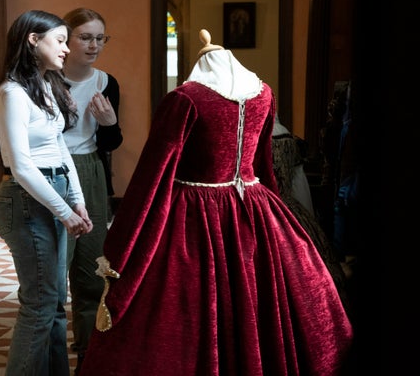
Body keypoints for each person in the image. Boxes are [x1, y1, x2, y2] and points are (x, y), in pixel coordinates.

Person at [79, 30, 353, 375]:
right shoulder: (264, 92)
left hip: (192, 211)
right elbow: (263, 167)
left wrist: (124, 241)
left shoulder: (184, 98)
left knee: (183, 308)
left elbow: (154, 173)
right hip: (255, 203)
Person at [0, 9, 94, 376]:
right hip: (24, 200)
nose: (66, 49)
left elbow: (61, 148)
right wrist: (64, 212)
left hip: (54, 190)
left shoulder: (45, 84)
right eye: (60, 41)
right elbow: (22, 166)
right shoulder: (11, 93)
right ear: (33, 40)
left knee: (57, 302)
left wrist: (79, 201)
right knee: (40, 305)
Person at [60, 7, 123, 375]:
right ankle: (50, 357)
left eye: (100, 38)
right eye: (86, 37)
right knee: (54, 271)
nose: (94, 45)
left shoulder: (106, 82)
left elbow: (112, 142)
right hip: (49, 171)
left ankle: (87, 355)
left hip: (90, 171)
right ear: (65, 40)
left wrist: (110, 124)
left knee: (91, 270)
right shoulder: (44, 78)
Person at [272, 116, 351, 310]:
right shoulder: (287, 136)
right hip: (289, 204)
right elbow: (298, 183)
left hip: (267, 206)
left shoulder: (255, 135)